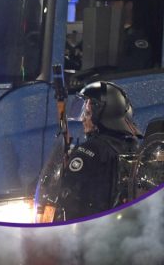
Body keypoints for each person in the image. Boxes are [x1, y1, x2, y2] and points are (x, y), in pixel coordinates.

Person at [58, 81, 141, 220]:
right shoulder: (132, 146)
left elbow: (68, 198)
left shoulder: (89, 150)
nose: (83, 118)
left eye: (88, 113)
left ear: (101, 115)